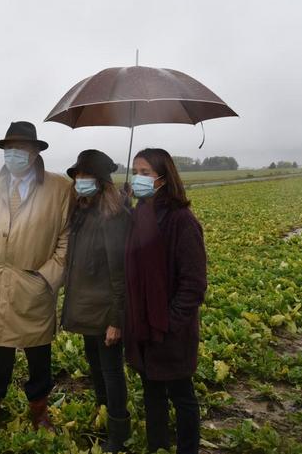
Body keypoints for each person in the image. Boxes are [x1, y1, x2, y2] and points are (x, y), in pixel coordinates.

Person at [0, 121, 72, 430]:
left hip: (35, 287)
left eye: (21, 149)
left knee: (39, 355)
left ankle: (39, 412)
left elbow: (66, 240)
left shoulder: (59, 188)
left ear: (35, 152)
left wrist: (45, 278)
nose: (13, 154)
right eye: (9, 149)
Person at [124, 148, 207, 454]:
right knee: (152, 394)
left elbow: (194, 284)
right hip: (143, 324)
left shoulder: (181, 220)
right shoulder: (139, 214)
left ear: (163, 177)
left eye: (145, 173)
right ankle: (157, 447)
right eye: (135, 172)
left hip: (171, 329)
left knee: (182, 395)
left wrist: (169, 322)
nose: (138, 178)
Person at [61, 149, 130, 453]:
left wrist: (117, 320)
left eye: (86, 176)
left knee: (111, 371)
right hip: (86, 308)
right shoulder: (82, 211)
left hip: (105, 311)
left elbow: (120, 273)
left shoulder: (113, 217)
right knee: (96, 366)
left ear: (101, 181)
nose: (80, 181)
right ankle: (103, 415)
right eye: (77, 176)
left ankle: (118, 430)